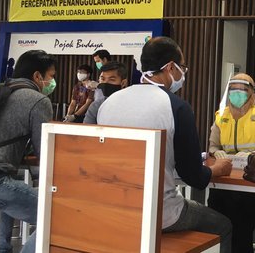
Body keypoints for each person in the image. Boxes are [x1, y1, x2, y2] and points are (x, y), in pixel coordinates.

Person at [96, 36, 233, 252]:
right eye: (183, 68)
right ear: (170, 67)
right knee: (223, 226)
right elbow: (193, 176)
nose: (183, 74)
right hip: (160, 213)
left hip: (113, 208)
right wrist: (216, 170)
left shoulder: (109, 103)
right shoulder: (177, 107)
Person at [0, 50, 57, 253]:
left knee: (14, 190)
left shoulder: (1, 91)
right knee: (55, 216)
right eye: (51, 76)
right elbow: (45, 151)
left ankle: (3, 248)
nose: (52, 82)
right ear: (37, 76)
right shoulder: (37, 99)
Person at [207, 73, 255, 253]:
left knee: (242, 230)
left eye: (242, 90)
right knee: (219, 227)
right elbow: (213, 145)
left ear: (251, 93)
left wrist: (252, 155)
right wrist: (217, 152)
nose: (237, 94)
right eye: (233, 90)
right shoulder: (221, 115)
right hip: (225, 177)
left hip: (250, 178)